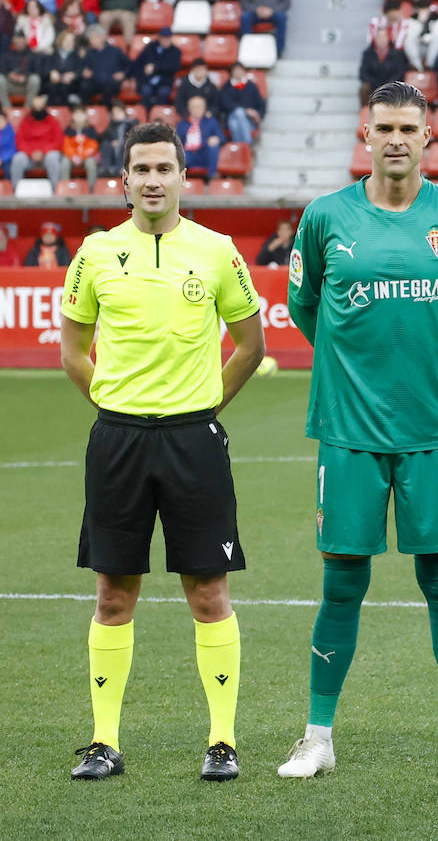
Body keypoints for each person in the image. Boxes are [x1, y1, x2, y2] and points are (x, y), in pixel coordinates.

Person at [278, 81, 438, 781]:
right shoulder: (324, 216)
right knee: (342, 581)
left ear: (429, 137)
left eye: (410, 127)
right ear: (365, 135)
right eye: (385, 128)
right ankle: (317, 736)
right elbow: (301, 302)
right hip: (347, 430)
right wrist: (346, 366)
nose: (397, 139)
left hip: (431, 427)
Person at [59, 120, 266, 782]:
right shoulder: (93, 253)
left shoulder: (218, 252)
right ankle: (103, 741)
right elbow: (71, 349)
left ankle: (223, 741)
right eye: (141, 169)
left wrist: (204, 406)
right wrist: (115, 403)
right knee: (113, 594)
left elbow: (251, 344)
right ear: (124, 180)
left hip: (193, 440)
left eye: (163, 169)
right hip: (117, 439)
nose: (152, 180)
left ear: (183, 177)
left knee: (208, 591)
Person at [10, 94, 64, 185]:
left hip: (47, 155)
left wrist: (43, 152)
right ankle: (16, 190)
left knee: (53, 157)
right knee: (17, 158)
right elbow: (20, 141)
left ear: (45, 107)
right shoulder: (25, 121)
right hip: (29, 156)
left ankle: (56, 190)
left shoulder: (53, 121)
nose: (38, 110)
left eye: (40, 107)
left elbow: (58, 141)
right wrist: (31, 152)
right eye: (36, 107)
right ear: (32, 108)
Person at [176, 96, 224, 179]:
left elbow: (222, 138)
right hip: (188, 153)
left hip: (204, 153)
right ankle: (178, 179)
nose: (197, 109)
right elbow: (177, 141)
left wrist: (216, 139)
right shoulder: (182, 124)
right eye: (194, 107)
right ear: (189, 108)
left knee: (214, 147)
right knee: (180, 155)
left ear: (204, 108)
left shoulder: (211, 122)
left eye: (199, 107)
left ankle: (211, 178)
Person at [220, 63, 266, 145]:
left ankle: (241, 149)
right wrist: (245, 110)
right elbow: (224, 103)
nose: (238, 73)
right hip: (232, 116)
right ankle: (248, 146)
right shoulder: (226, 87)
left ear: (244, 72)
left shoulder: (251, 86)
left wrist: (257, 114)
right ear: (231, 73)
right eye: (235, 71)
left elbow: (261, 104)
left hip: (249, 120)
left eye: (240, 70)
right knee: (239, 112)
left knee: (235, 124)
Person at [61, 105, 100, 187]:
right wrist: (73, 156)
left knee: (91, 164)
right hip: (72, 156)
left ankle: (91, 188)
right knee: (64, 163)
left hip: (86, 156)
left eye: (81, 114)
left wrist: (82, 156)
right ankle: (64, 187)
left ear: (85, 116)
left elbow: (93, 146)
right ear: (72, 116)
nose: (79, 117)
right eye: (76, 115)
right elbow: (66, 146)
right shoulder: (69, 130)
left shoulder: (91, 129)